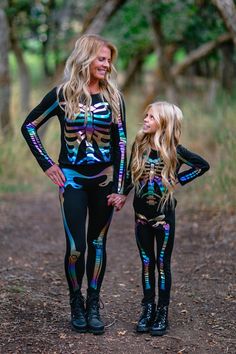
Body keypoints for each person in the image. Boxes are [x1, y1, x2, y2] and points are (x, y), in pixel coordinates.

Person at [21, 34, 127, 335]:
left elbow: (120, 144)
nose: (107, 64)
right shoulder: (62, 94)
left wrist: (120, 187)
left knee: (97, 243)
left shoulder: (114, 98)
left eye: (109, 60)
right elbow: (29, 126)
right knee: (75, 247)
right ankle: (75, 300)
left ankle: (93, 303)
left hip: (105, 180)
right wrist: (48, 164)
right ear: (86, 58)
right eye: (101, 58)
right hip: (73, 181)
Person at [108, 101, 209, 336]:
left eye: (151, 117)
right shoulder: (139, 147)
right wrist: (123, 194)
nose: (145, 119)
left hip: (164, 218)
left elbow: (202, 165)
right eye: (145, 115)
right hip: (141, 217)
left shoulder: (175, 151)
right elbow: (133, 176)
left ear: (164, 123)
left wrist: (179, 180)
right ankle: (147, 309)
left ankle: (162, 311)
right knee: (146, 263)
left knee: (162, 264)